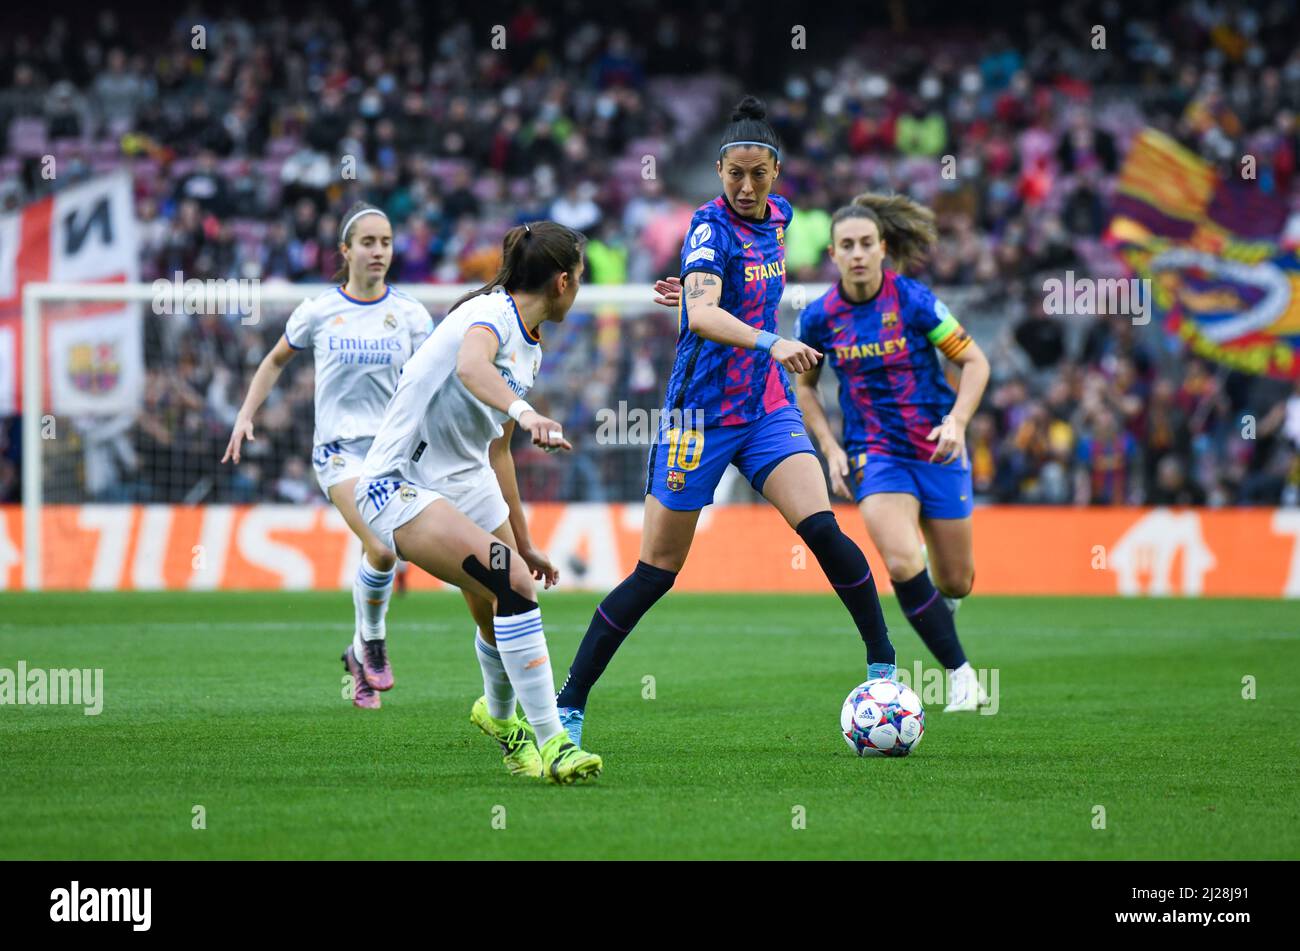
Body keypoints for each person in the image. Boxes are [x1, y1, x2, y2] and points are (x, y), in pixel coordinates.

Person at [554, 97, 898, 746]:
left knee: (823, 528)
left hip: (765, 406)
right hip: (698, 418)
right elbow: (709, 315)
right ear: (717, 170)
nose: (745, 186)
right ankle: (569, 702)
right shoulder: (708, 228)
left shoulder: (782, 219)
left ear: (776, 172)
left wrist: (694, 290)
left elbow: (722, 295)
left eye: (758, 174)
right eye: (734, 174)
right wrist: (751, 330)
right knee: (656, 571)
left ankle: (882, 662)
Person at [354, 221, 603, 784]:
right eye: (581, 278)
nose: (580, 287)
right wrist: (528, 412)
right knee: (510, 582)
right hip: (399, 483)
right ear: (563, 282)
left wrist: (526, 539)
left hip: (465, 475)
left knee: (503, 600)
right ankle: (555, 743)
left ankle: (497, 717)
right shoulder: (488, 314)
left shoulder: (530, 346)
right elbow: (471, 368)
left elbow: (498, 453)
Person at [222, 202, 433, 709]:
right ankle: (372, 643)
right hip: (338, 453)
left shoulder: (410, 315)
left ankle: (357, 655)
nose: (378, 251)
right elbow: (274, 362)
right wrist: (245, 413)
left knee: (388, 552)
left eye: (385, 242)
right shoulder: (319, 311)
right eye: (367, 242)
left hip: (393, 454)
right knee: (382, 550)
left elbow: (432, 382)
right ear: (346, 250)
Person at [792, 193, 993, 711]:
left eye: (865, 244)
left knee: (957, 580)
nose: (857, 254)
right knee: (902, 562)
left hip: (937, 448)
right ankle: (963, 676)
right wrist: (831, 448)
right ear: (832, 255)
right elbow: (806, 387)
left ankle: (938, 597)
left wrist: (958, 422)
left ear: (882, 248)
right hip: (874, 454)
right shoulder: (819, 319)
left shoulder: (915, 302)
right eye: (846, 246)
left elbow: (975, 363)